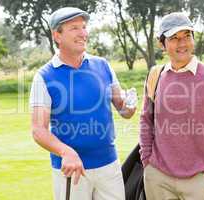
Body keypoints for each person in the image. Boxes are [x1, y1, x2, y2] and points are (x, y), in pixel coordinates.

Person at [29, 7, 137, 200]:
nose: (83, 33)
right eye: (74, 28)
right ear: (57, 36)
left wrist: (129, 106)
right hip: (72, 170)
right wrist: (66, 152)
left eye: (84, 27)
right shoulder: (44, 76)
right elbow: (38, 130)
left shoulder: (103, 65)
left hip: (108, 165)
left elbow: (123, 109)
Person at [139, 12, 204, 200]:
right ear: (162, 43)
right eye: (174, 38)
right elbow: (146, 120)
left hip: (198, 180)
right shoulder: (155, 75)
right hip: (158, 177)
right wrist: (147, 160)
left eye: (187, 36)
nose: (182, 44)